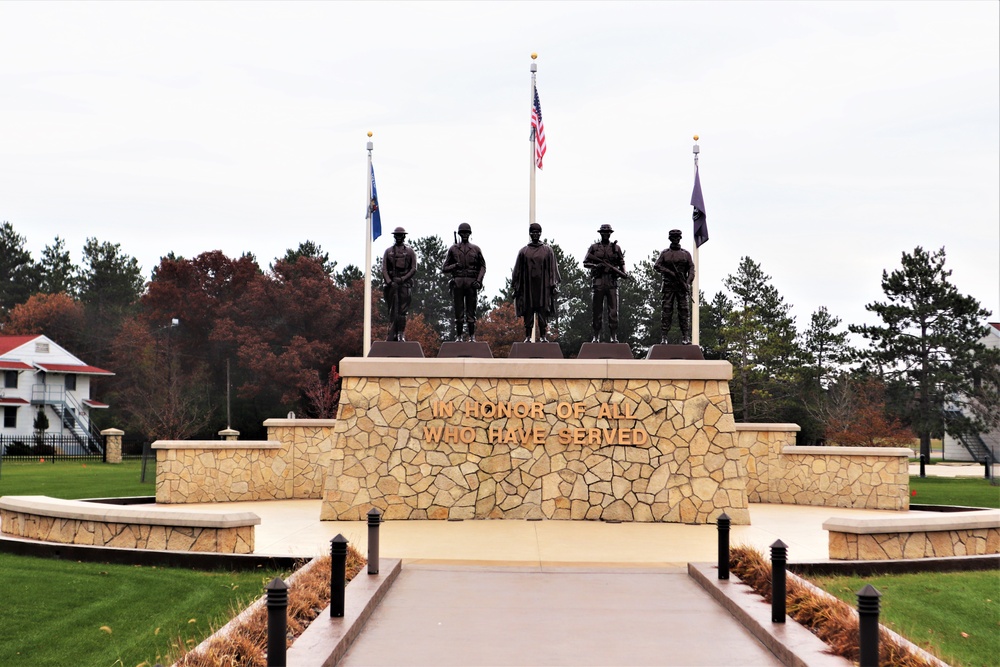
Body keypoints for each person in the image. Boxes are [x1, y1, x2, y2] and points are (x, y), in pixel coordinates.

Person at [511, 222, 560, 342]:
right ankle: (528, 336)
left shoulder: (547, 251)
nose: (535, 234)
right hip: (528, 287)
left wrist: (553, 284)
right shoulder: (523, 251)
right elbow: (517, 270)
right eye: (533, 232)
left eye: (537, 232)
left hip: (543, 287)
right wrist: (516, 286)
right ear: (529, 233)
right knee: (528, 312)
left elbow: (553, 269)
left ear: (540, 233)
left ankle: (543, 336)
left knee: (543, 312)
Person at [442, 222, 487, 341]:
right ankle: (459, 336)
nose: (465, 235)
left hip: (471, 282)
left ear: (470, 234)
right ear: (460, 234)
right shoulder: (453, 249)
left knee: (471, 310)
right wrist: (455, 266)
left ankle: (472, 336)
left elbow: (482, 266)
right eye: (463, 233)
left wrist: (478, 280)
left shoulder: (476, 249)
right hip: (458, 282)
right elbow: (445, 268)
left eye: (467, 233)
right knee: (458, 310)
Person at [583, 223, 627, 343]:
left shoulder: (616, 248)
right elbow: (585, 262)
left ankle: (613, 336)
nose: (606, 235)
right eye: (604, 233)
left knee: (613, 311)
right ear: (600, 234)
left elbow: (622, 262)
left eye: (608, 233)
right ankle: (596, 336)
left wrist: (622, 272)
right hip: (599, 281)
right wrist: (597, 266)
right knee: (597, 310)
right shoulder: (594, 247)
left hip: (612, 282)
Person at [653, 229, 695, 345]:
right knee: (666, 310)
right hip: (668, 286)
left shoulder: (686, 254)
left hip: (682, 286)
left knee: (684, 311)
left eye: (677, 237)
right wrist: (669, 272)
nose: (675, 240)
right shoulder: (665, 253)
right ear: (670, 239)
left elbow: (691, 269)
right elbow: (657, 266)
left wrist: (688, 282)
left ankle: (685, 337)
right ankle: (664, 337)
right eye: (673, 238)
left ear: (680, 238)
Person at [382, 226, 417, 342]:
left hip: (404, 284)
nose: (398, 238)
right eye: (396, 236)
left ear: (404, 237)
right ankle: (392, 334)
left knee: (402, 311)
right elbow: (384, 269)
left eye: (400, 236)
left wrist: (402, 279)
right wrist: (390, 282)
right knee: (392, 311)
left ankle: (401, 334)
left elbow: (413, 269)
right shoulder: (388, 251)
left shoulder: (410, 252)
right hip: (392, 285)